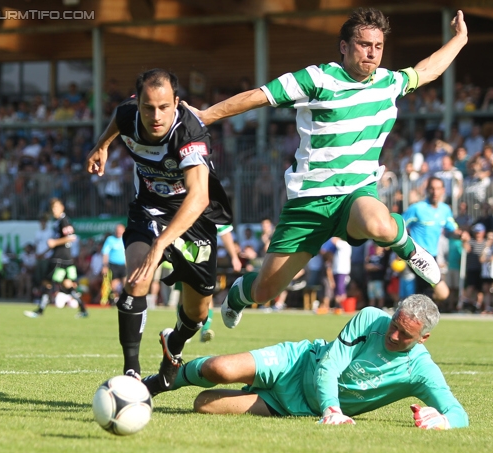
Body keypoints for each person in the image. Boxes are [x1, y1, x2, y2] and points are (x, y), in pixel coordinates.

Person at [185, 8, 468, 330]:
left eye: (377, 46)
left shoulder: (390, 82)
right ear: (344, 46)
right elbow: (258, 96)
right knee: (265, 290)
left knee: (381, 224)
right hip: (308, 202)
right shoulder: (317, 79)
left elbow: (428, 70)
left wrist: (460, 39)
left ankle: (409, 249)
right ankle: (238, 294)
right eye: (363, 44)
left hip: (356, 193)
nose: (371, 52)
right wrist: (207, 116)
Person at [85, 69, 233, 393]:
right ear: (138, 105)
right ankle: (131, 375)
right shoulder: (128, 114)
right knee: (137, 278)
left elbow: (199, 197)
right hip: (148, 208)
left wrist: (159, 248)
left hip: (194, 217)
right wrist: (102, 145)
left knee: (197, 312)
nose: (156, 115)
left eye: (164, 107)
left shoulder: (190, 133)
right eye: (149, 107)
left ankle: (173, 343)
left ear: (177, 103)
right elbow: (119, 119)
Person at [150, 294, 468, 429]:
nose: (393, 335)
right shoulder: (372, 319)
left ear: (423, 338)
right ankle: (162, 380)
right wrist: (332, 408)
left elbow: (459, 414)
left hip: (293, 406)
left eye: (404, 335)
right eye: (394, 325)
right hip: (298, 362)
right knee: (218, 369)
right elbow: (331, 364)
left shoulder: (422, 372)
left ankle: (243, 389)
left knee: (204, 404)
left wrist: (441, 421)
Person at [24, 198, 89, 319]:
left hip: (60, 257)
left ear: (62, 207)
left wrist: (54, 243)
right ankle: (83, 309)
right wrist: (44, 252)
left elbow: (71, 237)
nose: (54, 210)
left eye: (56, 207)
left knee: (47, 282)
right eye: (53, 208)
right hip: (64, 258)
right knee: (67, 284)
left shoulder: (64, 220)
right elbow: (54, 243)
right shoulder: (57, 222)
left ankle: (39, 311)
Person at [403, 177, 459, 301]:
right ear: (427, 190)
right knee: (437, 290)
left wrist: (462, 234)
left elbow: (453, 229)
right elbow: (400, 226)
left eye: (438, 188)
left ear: (443, 190)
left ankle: (416, 312)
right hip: (416, 255)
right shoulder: (417, 208)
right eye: (432, 188)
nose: (435, 192)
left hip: (432, 256)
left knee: (429, 292)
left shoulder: (445, 210)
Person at [101, 223, 127, 304]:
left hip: (124, 265)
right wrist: (105, 265)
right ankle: (115, 299)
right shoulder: (110, 239)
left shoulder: (126, 239)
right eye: (117, 231)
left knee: (125, 282)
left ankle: (125, 299)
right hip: (113, 264)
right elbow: (105, 253)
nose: (119, 233)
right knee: (113, 283)